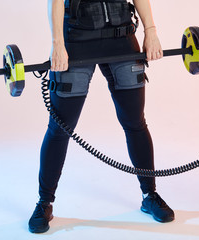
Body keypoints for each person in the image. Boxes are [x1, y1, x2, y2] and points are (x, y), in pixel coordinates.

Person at [28, 0, 174, 233]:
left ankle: (150, 195)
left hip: (122, 39)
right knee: (60, 128)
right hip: (76, 40)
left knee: (135, 122)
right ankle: (44, 203)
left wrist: (151, 31)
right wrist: (57, 43)